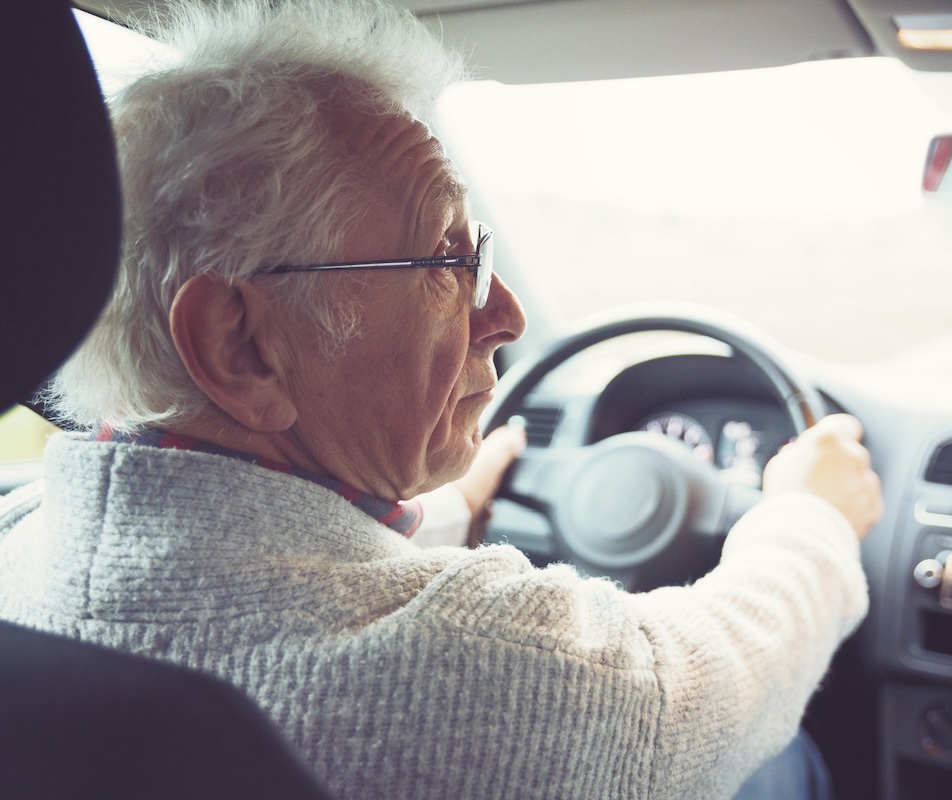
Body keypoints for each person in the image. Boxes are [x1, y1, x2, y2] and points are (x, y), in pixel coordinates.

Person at [0, 2, 882, 798]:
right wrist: (811, 518)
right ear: (242, 344)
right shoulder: (487, 664)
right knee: (783, 763)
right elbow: (710, 686)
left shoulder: (21, 537)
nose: (504, 313)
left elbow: (249, 567)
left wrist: (450, 507)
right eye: (443, 261)